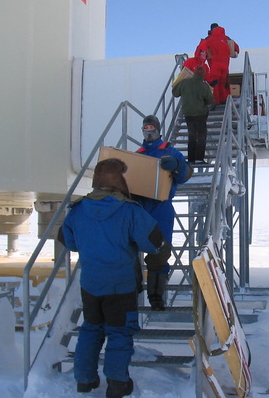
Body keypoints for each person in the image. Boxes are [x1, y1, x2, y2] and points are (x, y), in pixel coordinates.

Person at [58, 158, 171, 398]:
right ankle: (117, 383)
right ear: (120, 180)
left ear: (96, 180)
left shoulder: (77, 210)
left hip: (90, 284)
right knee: (119, 332)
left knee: (91, 328)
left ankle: (84, 380)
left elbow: (68, 242)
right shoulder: (129, 210)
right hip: (120, 286)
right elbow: (156, 243)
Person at [135, 115, 193, 310]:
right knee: (129, 248)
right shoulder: (138, 154)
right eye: (145, 128)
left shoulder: (169, 151)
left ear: (159, 130)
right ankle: (132, 289)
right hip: (139, 206)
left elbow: (186, 174)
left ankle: (156, 297)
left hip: (161, 207)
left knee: (160, 251)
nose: (148, 131)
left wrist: (177, 166)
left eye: (151, 127)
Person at [172, 65, 214, 163]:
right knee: (201, 136)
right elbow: (210, 100)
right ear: (204, 74)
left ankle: (191, 159)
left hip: (188, 114)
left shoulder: (184, 83)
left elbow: (175, 93)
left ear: (194, 72)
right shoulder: (204, 86)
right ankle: (199, 158)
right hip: (200, 114)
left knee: (192, 136)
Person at [205, 24, 240, 105]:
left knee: (214, 82)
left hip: (214, 64)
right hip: (225, 65)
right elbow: (236, 48)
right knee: (224, 83)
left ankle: (215, 101)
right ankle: (225, 100)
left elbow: (201, 50)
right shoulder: (226, 38)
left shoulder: (208, 39)